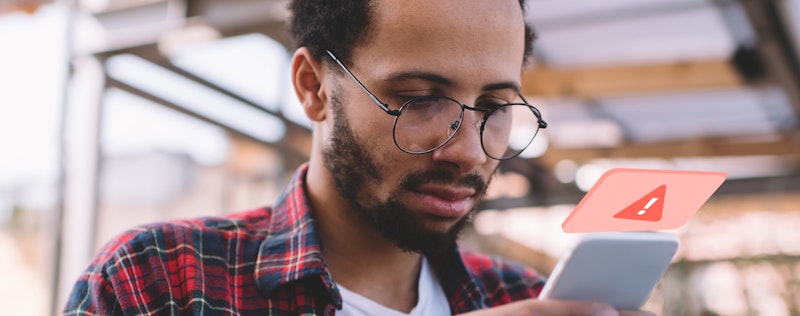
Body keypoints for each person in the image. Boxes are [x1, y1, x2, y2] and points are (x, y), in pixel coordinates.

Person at [65, 0, 656, 315]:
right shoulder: (160, 279)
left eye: (495, 107)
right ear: (314, 88)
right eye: (421, 100)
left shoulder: (525, 300)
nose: (467, 151)